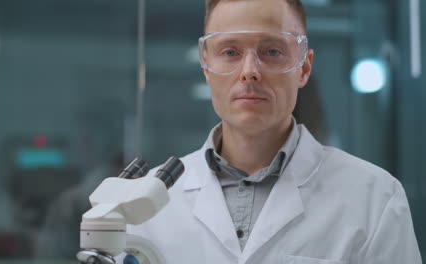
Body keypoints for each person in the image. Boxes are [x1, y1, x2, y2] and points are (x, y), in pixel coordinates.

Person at [126, 0, 422, 263]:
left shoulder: (374, 198)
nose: (250, 70)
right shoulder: (147, 204)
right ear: (206, 66)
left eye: (272, 51)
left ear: (304, 68)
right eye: (230, 52)